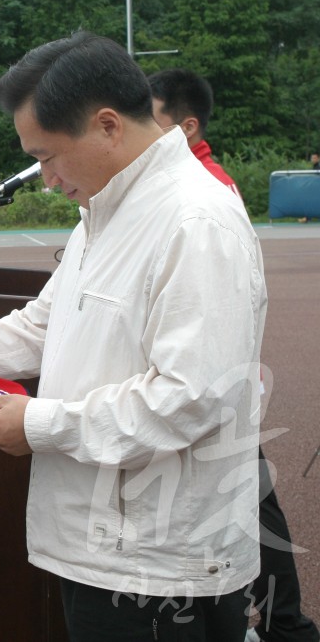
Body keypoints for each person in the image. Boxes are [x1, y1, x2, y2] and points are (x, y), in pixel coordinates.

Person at [0, 32, 267, 640]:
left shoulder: (195, 222)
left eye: (47, 155)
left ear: (106, 126)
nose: (45, 177)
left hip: (154, 564)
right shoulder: (109, 210)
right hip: (105, 546)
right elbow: (42, 326)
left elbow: (192, 396)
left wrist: (40, 425)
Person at [151, 68, 320, 642]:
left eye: (149, 117)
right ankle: (283, 624)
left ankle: (285, 624)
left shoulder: (202, 185)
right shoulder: (193, 178)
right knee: (248, 498)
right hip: (220, 378)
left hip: (214, 380)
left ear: (186, 124)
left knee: (247, 500)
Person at [147, 69, 242, 201]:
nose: (140, 130)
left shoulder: (207, 185)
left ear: (188, 128)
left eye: (150, 123)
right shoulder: (174, 175)